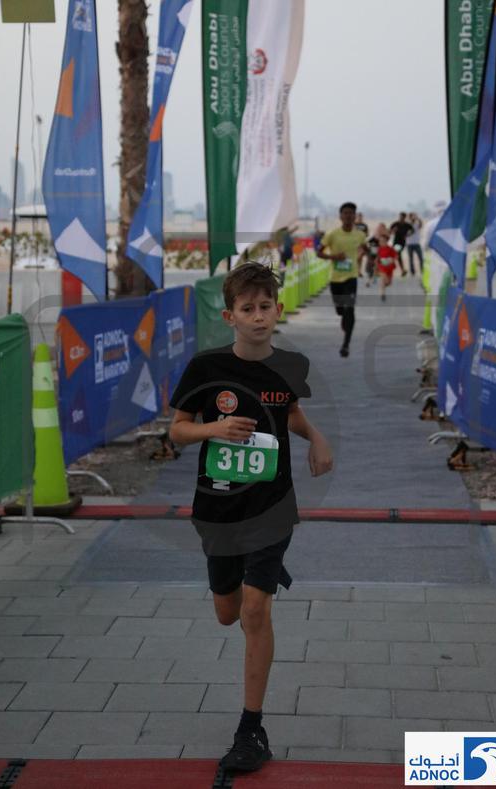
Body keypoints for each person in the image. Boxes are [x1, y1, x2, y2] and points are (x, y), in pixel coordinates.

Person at [169, 262, 333, 774]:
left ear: (278, 310)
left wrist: (317, 438)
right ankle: (252, 578)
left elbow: (290, 413)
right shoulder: (205, 368)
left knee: (255, 612)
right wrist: (213, 429)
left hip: (272, 507)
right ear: (230, 316)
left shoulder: (291, 366)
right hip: (218, 510)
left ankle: (251, 728)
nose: (258, 316)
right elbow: (177, 430)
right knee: (228, 613)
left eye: (265, 307)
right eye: (248, 308)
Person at [317, 202, 367, 357]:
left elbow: (365, 248)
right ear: (340, 216)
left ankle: (346, 345)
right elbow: (319, 253)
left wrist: (361, 256)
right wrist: (334, 257)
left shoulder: (360, 235)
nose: (348, 216)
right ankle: (343, 316)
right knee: (341, 310)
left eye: (351, 213)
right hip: (335, 279)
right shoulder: (332, 234)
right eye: (345, 213)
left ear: (355, 216)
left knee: (349, 308)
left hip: (351, 277)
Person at [376, 230, 398, 301]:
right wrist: (376, 264)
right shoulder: (379, 249)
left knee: (389, 283)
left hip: (389, 267)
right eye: (380, 241)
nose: (381, 242)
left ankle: (382, 287)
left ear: (386, 241)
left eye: (383, 241)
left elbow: (396, 256)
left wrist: (392, 260)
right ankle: (382, 294)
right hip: (382, 267)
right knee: (383, 279)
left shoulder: (390, 248)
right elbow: (378, 257)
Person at [389, 212, 413, 276]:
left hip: (402, 242)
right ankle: (402, 270)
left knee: (397, 255)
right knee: (397, 255)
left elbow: (412, 230)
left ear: (404, 218)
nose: (400, 218)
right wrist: (393, 231)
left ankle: (402, 270)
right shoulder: (395, 224)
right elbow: (389, 231)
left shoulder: (407, 225)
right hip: (396, 242)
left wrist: (408, 235)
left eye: (402, 217)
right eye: (400, 217)